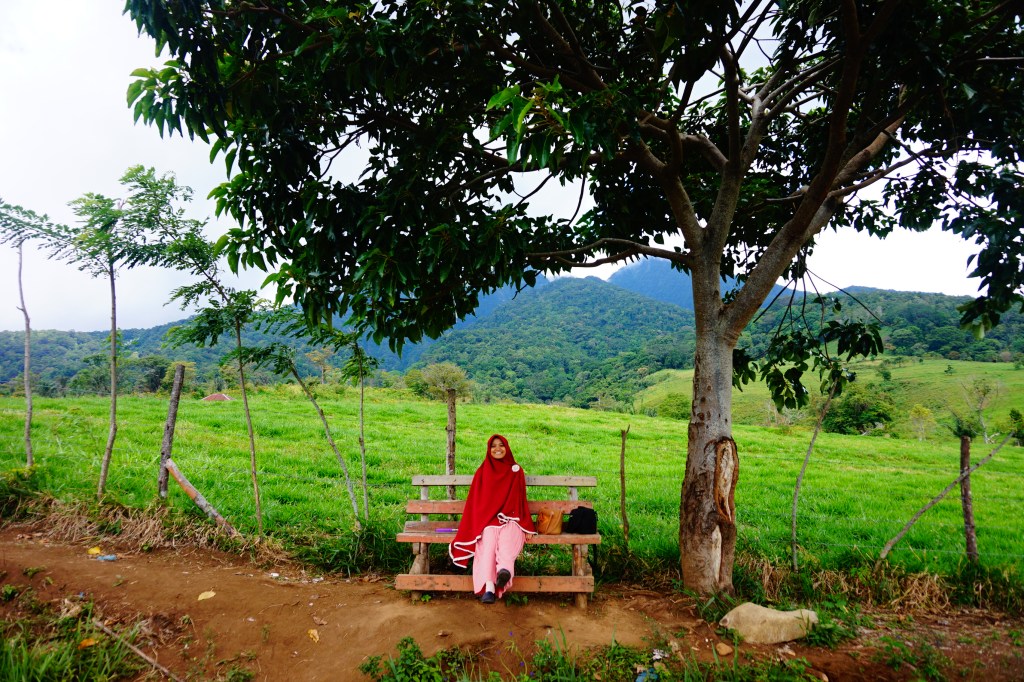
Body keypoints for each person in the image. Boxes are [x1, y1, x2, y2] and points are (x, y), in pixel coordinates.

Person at [449, 434, 536, 603]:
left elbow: (520, 500)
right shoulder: (482, 472)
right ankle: (489, 588)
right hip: (488, 521)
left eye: (501, 445)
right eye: (493, 446)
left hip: (512, 519)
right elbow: (476, 502)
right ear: (489, 450)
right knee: (487, 542)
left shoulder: (515, 470)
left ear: (507, 447)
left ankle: (504, 572)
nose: (497, 449)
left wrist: (527, 526)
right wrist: (482, 522)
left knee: (506, 541)